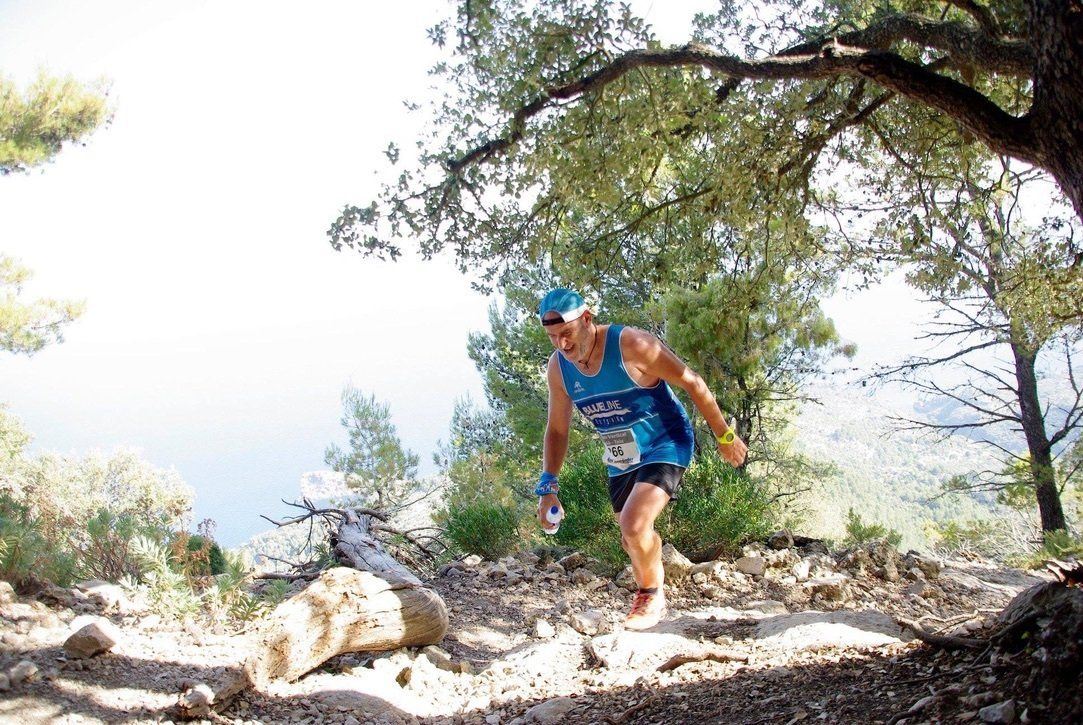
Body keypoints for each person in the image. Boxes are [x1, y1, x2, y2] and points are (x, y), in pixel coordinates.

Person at [534, 288, 748, 630]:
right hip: (621, 457)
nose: (562, 344)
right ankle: (653, 570)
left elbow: (692, 382)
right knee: (631, 537)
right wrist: (548, 484)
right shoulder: (559, 368)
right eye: (552, 337)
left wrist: (724, 436)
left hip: (666, 440)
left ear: (587, 319)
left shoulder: (631, 344)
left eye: (567, 333)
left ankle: (650, 594)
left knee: (633, 525)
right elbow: (557, 429)